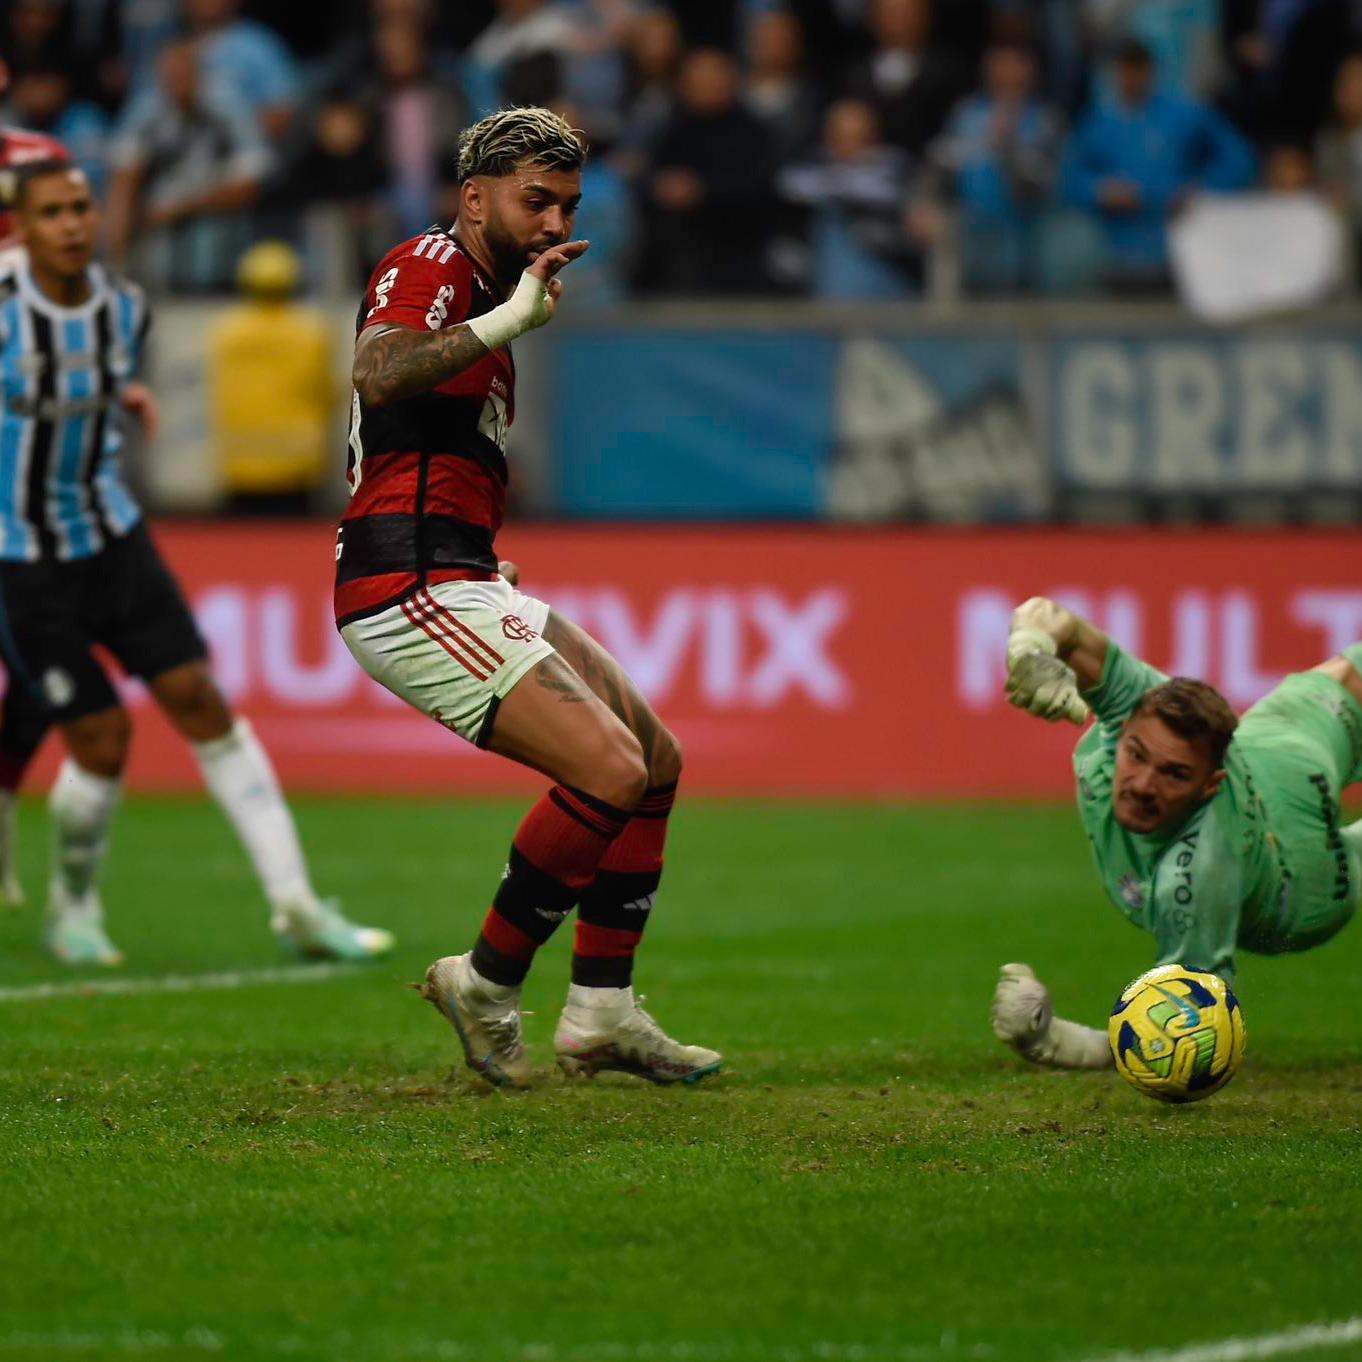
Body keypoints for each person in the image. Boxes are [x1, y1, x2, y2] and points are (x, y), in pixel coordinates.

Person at [338, 105, 720, 1088]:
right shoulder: (433, 265)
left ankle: (599, 1011)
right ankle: (486, 984)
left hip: (458, 569)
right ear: (475, 199)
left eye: (569, 205)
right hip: (406, 583)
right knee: (608, 769)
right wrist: (509, 319)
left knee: (657, 760)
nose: (556, 224)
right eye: (534, 201)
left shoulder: (488, 300)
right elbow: (378, 373)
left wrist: (479, 554)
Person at [0, 159, 393, 967]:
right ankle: (74, 909)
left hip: (113, 540)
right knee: (102, 738)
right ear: (23, 228)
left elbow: (95, 391)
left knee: (201, 699)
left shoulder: (124, 310)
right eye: (53, 213)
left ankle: (298, 907)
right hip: (21, 565)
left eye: (82, 207)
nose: (73, 224)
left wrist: (129, 400)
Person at [989, 595, 1362, 1071]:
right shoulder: (1143, 701)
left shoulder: (1197, 878)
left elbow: (1185, 1042)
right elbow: (1051, 616)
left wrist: (1051, 1041)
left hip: (1303, 874)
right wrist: (1029, 650)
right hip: (1279, 778)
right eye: (1137, 755)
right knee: (1344, 681)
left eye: (1174, 774)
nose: (1143, 785)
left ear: (1210, 783)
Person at [208, 240, 335, 516]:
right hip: (297, 467)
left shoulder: (228, 334)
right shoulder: (311, 333)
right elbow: (326, 395)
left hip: (240, 464)